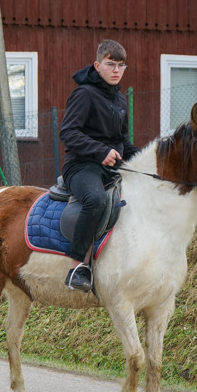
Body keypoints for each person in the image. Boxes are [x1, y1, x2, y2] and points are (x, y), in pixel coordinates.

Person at [59, 39, 140, 291]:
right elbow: (68, 133)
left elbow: (124, 143)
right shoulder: (84, 94)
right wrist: (100, 151)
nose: (116, 70)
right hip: (81, 166)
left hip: (110, 167)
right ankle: (77, 268)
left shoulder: (120, 101)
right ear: (97, 65)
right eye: (110, 64)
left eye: (121, 65)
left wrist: (150, 157)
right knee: (95, 199)